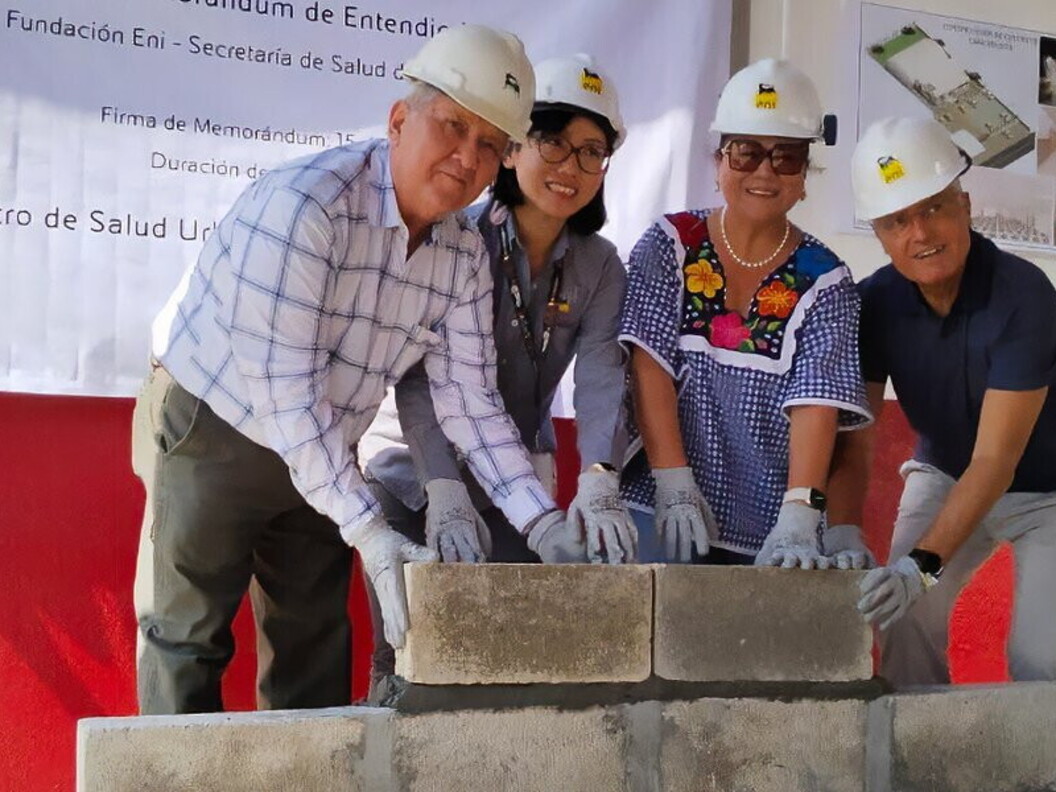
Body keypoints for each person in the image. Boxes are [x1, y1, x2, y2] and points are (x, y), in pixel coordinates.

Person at [131, 25, 585, 716]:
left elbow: (468, 401)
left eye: (490, 143)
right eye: (452, 126)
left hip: (328, 443)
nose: (467, 157)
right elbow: (285, 399)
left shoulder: (462, 252)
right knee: (188, 636)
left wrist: (540, 522)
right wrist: (368, 528)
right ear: (400, 120)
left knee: (313, 642)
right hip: (215, 421)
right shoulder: (304, 207)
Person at [360, 54, 633, 686]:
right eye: (554, 143)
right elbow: (420, 378)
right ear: (512, 149)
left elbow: (599, 377)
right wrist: (441, 488)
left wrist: (599, 477)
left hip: (514, 483)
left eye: (592, 152)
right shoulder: (459, 239)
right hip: (410, 474)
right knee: (405, 658)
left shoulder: (600, 265)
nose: (571, 168)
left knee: (506, 656)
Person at [619, 58, 871, 567]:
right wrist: (674, 483)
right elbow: (649, 366)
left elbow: (816, 404)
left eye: (786, 157)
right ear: (718, 161)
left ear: (804, 175)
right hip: (660, 504)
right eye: (746, 152)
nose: (763, 171)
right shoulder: (669, 245)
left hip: (772, 531)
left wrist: (801, 515)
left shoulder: (827, 280)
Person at [832, 116, 1056, 687]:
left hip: (1046, 494)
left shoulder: (1024, 295)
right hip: (943, 474)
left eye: (933, 207)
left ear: (965, 204)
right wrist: (843, 528)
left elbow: (995, 464)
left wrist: (920, 568)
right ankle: (912, 772)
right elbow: (857, 438)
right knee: (900, 623)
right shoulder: (874, 302)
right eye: (898, 220)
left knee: (1041, 660)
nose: (920, 233)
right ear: (878, 234)